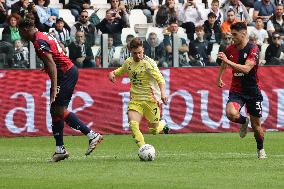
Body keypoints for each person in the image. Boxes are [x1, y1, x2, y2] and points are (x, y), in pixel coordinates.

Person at [18, 19, 103, 162]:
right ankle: (60, 149)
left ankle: (92, 135)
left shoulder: (38, 42)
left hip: (65, 74)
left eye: (20, 32)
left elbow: (52, 64)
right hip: (66, 71)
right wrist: (49, 65)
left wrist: (53, 88)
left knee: (59, 110)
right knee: (54, 110)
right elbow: (61, 50)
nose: (20, 35)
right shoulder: (43, 35)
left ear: (26, 29)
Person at [217, 22, 267, 159]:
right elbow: (223, 63)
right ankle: (244, 121)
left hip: (252, 91)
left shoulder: (253, 48)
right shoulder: (230, 49)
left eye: (235, 34)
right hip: (237, 90)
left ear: (243, 33)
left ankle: (260, 149)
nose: (232, 37)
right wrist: (219, 77)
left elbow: (246, 69)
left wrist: (229, 61)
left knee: (257, 127)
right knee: (230, 113)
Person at [108, 37, 169, 148]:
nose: (138, 55)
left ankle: (163, 123)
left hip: (151, 100)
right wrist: (112, 73)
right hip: (135, 100)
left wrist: (163, 93)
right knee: (133, 124)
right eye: (135, 53)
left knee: (154, 130)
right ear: (131, 51)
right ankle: (143, 147)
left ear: (143, 50)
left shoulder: (149, 64)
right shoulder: (128, 62)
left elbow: (160, 79)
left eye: (140, 52)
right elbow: (120, 70)